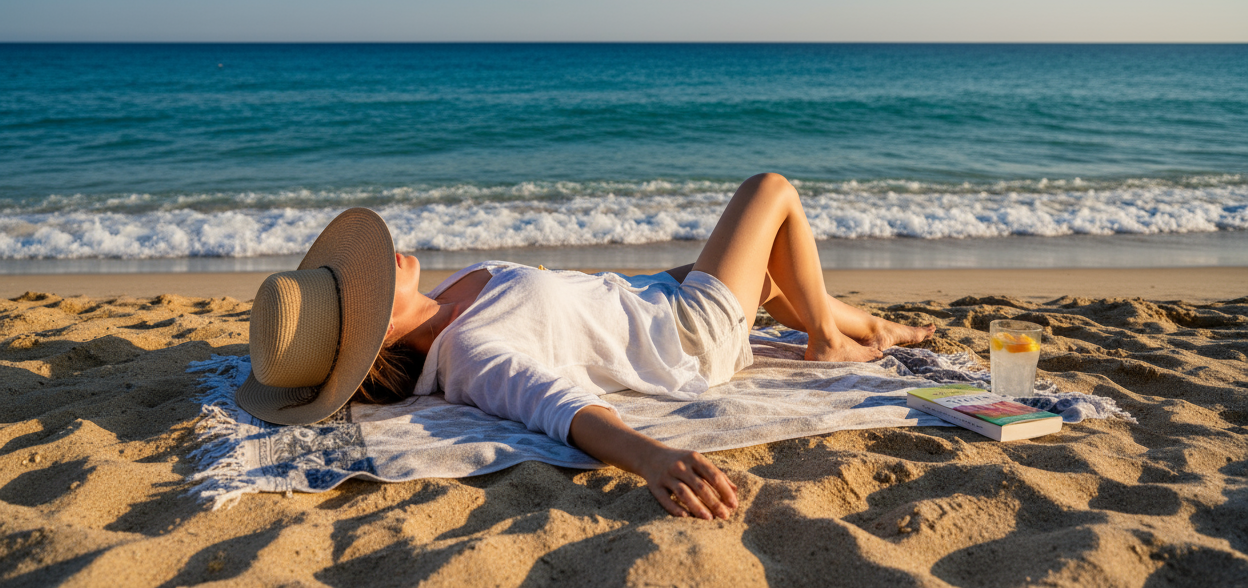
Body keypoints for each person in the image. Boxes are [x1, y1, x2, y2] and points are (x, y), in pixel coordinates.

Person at [236, 173, 934, 520]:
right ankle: (827, 340)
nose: (377, 259)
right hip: (691, 333)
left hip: (655, 296)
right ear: (379, 327)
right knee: (772, 190)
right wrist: (652, 456)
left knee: (766, 273)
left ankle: (863, 329)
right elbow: (559, 409)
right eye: (364, 282)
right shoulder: (475, 355)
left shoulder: (451, 296)